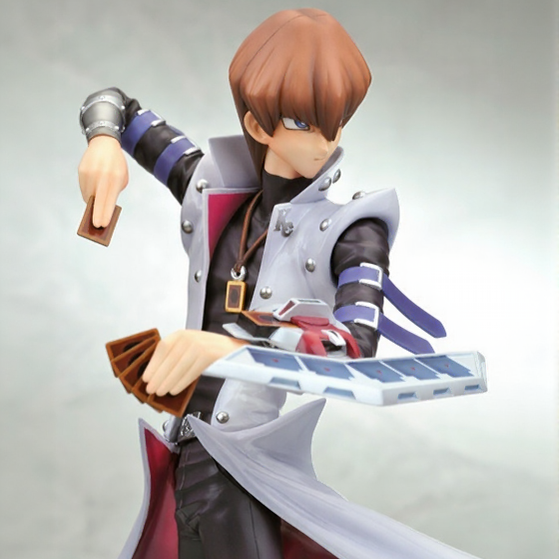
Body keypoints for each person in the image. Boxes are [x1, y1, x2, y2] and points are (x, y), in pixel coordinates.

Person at [78, 9, 478, 559]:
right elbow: (115, 106)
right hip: (185, 460)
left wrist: (233, 349)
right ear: (257, 125)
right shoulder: (209, 188)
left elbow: (353, 345)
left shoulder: (351, 231)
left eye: (337, 120)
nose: (326, 141)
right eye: (304, 122)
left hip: (243, 472)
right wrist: (102, 142)